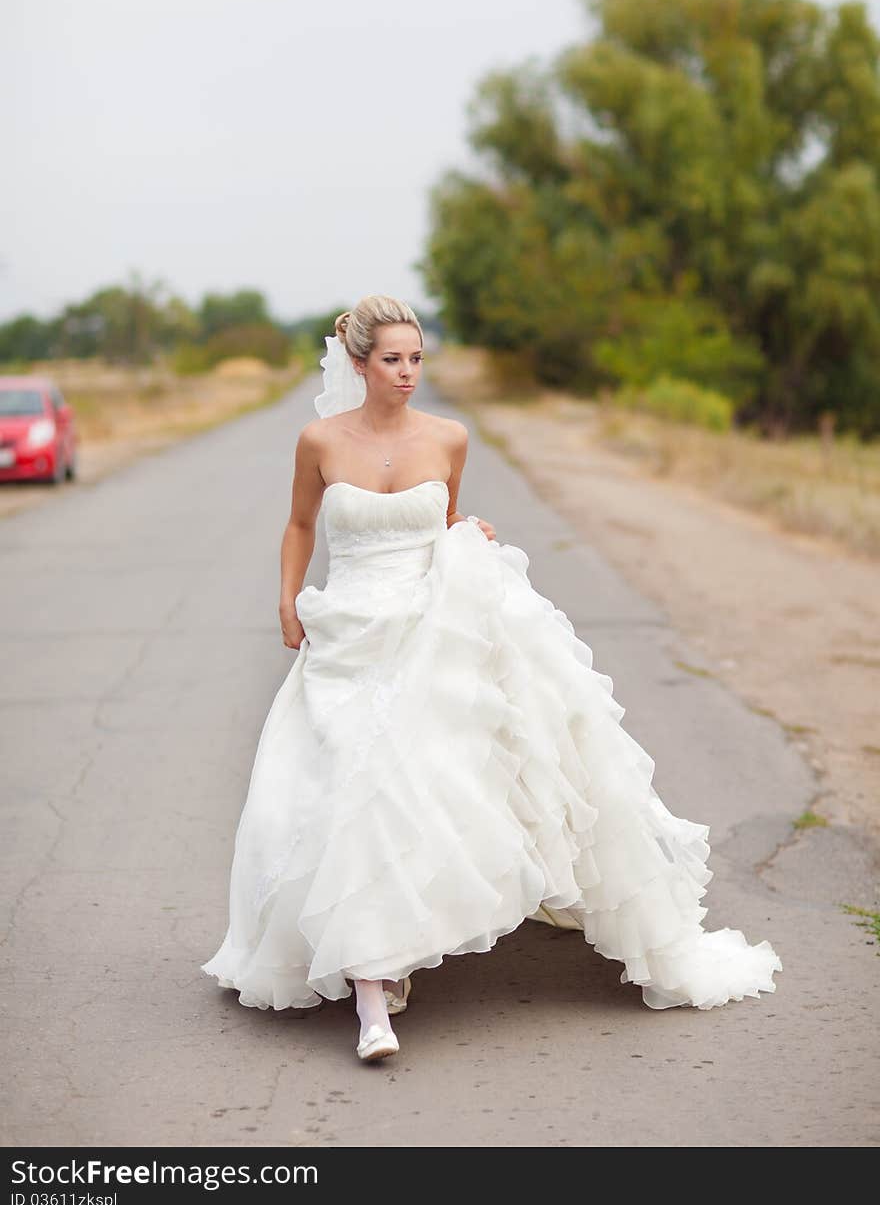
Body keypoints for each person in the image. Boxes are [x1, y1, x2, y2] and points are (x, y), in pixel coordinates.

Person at [201, 294, 782, 1063]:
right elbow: (303, 525)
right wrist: (287, 596)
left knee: (408, 794)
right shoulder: (318, 441)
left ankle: (382, 979)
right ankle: (374, 978)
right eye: (392, 360)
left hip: (430, 632)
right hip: (347, 633)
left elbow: (440, 523)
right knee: (341, 793)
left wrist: (466, 534)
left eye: (415, 359)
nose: (407, 373)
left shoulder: (449, 438)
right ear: (358, 363)